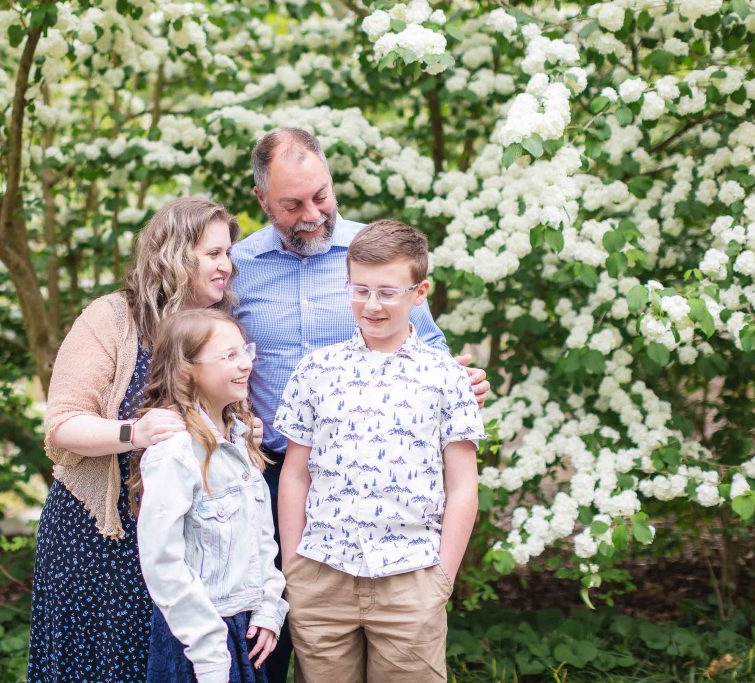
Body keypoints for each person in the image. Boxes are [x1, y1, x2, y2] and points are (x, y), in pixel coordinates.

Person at [230, 127, 491, 681]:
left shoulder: (375, 255)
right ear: (261, 200)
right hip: (269, 478)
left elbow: (429, 348)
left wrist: (459, 385)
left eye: (320, 195)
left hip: (393, 510)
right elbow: (205, 351)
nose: (312, 213)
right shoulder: (238, 267)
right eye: (292, 204)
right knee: (270, 646)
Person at [28, 198, 245, 682]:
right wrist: (134, 433)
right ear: (175, 253)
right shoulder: (111, 319)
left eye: (228, 253)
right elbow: (62, 423)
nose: (226, 266)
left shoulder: (221, 327)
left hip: (185, 548)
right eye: (213, 254)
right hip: (102, 541)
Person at [274, 220, 485, 682]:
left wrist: (441, 578)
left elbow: (463, 484)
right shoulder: (316, 371)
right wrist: (294, 566)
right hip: (322, 574)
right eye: (360, 290)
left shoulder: (447, 378)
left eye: (387, 293)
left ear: (419, 291)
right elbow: (295, 473)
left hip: (411, 578)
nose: (371, 305)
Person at [132, 309, 288, 683]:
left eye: (245, 351)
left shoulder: (242, 439)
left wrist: (269, 609)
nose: (246, 363)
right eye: (229, 356)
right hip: (198, 638)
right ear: (188, 370)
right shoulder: (175, 453)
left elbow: (262, 539)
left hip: (249, 631)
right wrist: (208, 649)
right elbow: (162, 562)